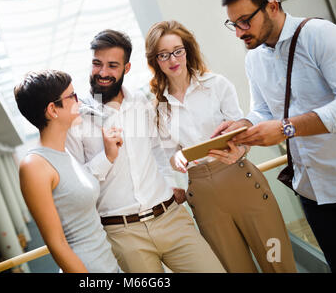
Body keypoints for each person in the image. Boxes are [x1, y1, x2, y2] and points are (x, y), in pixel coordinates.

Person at [217, 0, 336, 272]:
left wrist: (286, 128)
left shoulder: (320, 35)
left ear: (272, 6)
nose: (239, 32)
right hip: (312, 190)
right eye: (233, 24)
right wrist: (240, 125)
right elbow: (263, 110)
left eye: (245, 21)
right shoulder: (254, 59)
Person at [66, 29, 225, 273]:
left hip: (170, 218)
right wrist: (106, 158)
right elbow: (78, 185)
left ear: (126, 69)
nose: (102, 72)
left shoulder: (141, 102)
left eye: (112, 65)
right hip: (123, 235)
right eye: (97, 64)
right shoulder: (77, 118)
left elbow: (157, 150)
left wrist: (170, 182)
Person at [145, 20, 297, 273]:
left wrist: (240, 148)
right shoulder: (158, 109)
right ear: (155, 60)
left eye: (177, 50)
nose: (173, 59)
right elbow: (169, 156)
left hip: (241, 179)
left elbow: (242, 132)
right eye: (163, 54)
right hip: (204, 197)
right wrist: (178, 159)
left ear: (187, 50)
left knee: (277, 261)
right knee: (234, 268)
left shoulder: (216, 85)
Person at [13, 70, 121, 273]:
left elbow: (76, 191)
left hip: (108, 264)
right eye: (72, 97)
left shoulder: (66, 154)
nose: (79, 103)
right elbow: (57, 244)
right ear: (53, 109)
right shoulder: (34, 166)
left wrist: (109, 156)